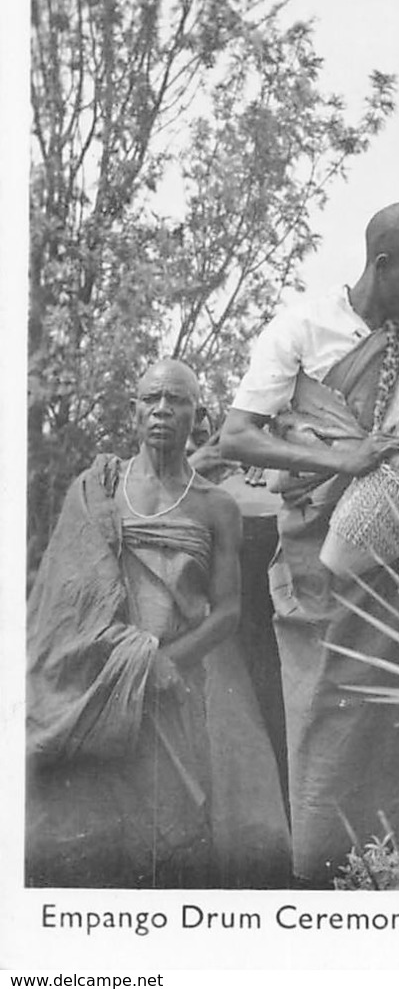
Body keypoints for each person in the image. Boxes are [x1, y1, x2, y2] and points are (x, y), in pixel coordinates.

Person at [217, 201, 399, 884]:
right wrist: (344, 461)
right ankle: (324, 868)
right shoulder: (301, 329)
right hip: (321, 547)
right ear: (382, 267)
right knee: (331, 707)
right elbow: (237, 435)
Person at [28, 360, 290, 887]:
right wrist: (133, 660)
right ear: (135, 411)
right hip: (95, 687)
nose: (163, 411)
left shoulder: (217, 507)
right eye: (152, 399)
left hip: (174, 689)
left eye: (177, 400)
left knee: (170, 836)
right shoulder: (96, 490)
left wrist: (165, 662)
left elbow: (228, 611)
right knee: (94, 835)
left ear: (201, 414)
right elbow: (67, 602)